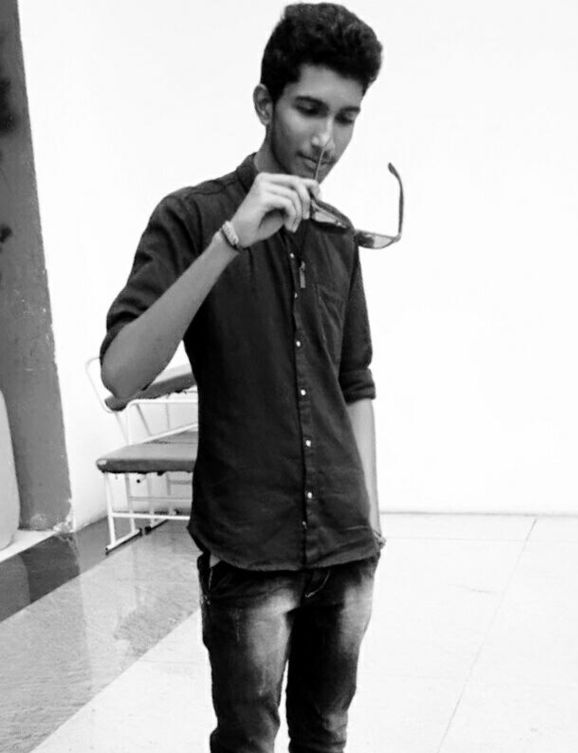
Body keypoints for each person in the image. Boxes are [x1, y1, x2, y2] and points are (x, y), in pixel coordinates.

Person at [100, 4, 385, 751]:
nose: (326, 140)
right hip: (249, 546)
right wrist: (231, 240)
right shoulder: (192, 219)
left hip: (345, 545)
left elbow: (355, 380)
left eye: (347, 118)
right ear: (265, 103)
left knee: (327, 733)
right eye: (309, 110)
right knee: (247, 740)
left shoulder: (337, 235)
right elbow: (122, 375)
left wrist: (370, 520)